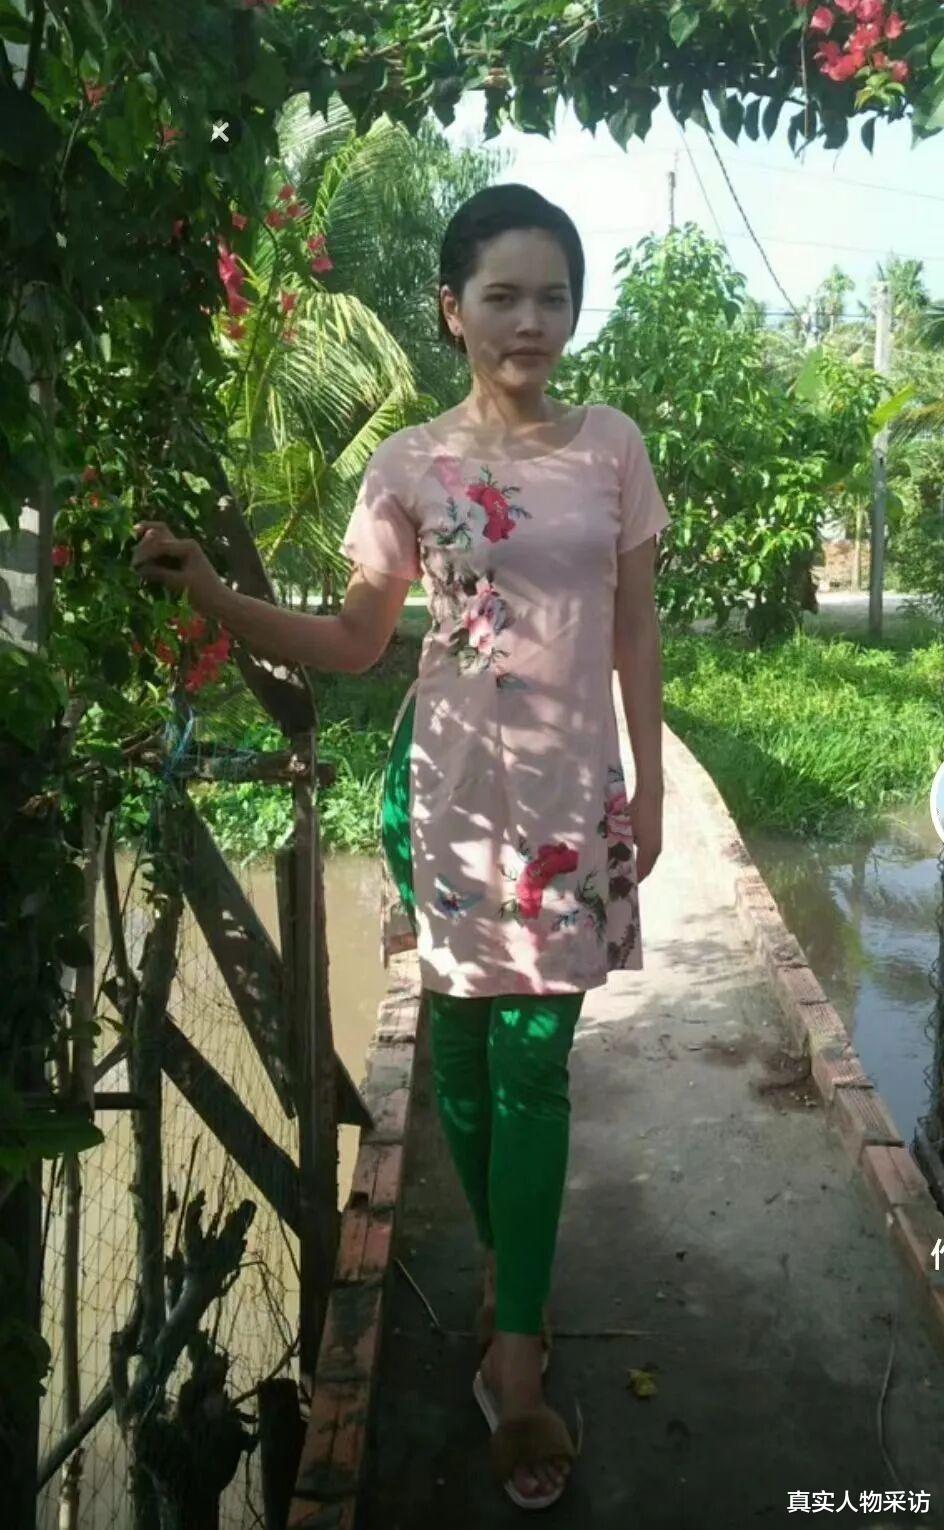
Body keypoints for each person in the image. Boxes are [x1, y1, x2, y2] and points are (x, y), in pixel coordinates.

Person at [131, 182, 670, 1512]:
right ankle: (508, 1271)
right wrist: (216, 596)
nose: (531, 320)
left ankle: (517, 1361)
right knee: (468, 1068)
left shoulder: (612, 446)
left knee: (536, 1064)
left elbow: (634, 630)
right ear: (452, 308)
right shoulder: (408, 465)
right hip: (450, 799)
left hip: (568, 807)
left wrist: (649, 783)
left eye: (553, 296)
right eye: (504, 295)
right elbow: (358, 638)